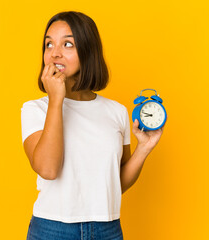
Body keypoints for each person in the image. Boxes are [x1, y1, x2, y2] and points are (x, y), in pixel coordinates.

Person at [21, 11, 165, 240]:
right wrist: (56, 100)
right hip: (52, 230)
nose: (55, 53)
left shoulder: (116, 112)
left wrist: (144, 148)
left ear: (88, 50)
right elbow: (48, 169)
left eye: (67, 44)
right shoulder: (35, 109)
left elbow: (114, 183)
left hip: (107, 230)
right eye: (49, 45)